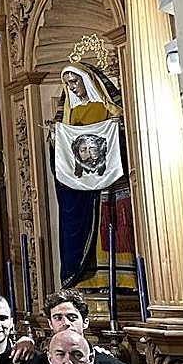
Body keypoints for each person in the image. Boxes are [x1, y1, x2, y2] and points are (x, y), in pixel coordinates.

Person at [50, 62, 135, 292]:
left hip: (110, 181)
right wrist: (55, 139)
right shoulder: (72, 114)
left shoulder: (108, 109)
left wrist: (117, 128)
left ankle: (120, 279)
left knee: (112, 225)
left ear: (89, 81)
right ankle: (89, 278)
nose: (73, 88)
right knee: (88, 226)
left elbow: (122, 138)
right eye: (69, 84)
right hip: (83, 186)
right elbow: (67, 149)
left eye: (75, 82)